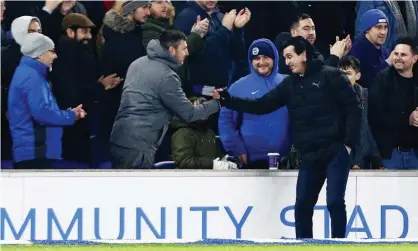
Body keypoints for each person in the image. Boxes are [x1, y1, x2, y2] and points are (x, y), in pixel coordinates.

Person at [213, 36, 361, 238]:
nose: (287, 61)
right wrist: (228, 100)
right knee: (302, 206)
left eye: (290, 56)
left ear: (304, 55)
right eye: (285, 57)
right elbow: (261, 105)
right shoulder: (289, 84)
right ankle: (303, 246)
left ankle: (339, 245)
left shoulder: (332, 76)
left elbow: (354, 109)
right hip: (310, 154)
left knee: (334, 202)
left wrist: (348, 145)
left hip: (336, 150)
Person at [109, 29, 220, 169]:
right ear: (172, 50)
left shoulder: (137, 63)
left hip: (119, 138)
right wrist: (218, 103)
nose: (187, 52)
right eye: (184, 49)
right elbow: (189, 114)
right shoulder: (167, 76)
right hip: (139, 146)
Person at [8, 33, 86, 169]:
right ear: (40, 54)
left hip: (33, 152)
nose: (55, 56)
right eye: (52, 51)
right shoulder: (32, 78)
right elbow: (42, 114)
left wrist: (67, 113)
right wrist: (71, 115)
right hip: (36, 153)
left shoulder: (29, 73)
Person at [50, 13, 120, 166]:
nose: (88, 36)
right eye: (84, 31)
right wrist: (101, 85)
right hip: (74, 119)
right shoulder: (66, 54)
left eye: (89, 32)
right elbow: (71, 89)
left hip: (83, 116)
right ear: (70, 32)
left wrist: (102, 84)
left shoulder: (80, 51)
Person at [218, 38, 291, 169]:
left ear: (274, 58)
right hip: (251, 160)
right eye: (256, 58)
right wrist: (236, 149)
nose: (261, 62)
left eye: (266, 57)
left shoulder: (289, 83)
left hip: (287, 160)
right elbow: (226, 122)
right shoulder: (238, 87)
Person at [174, 0, 250, 95]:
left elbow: (237, 55)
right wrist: (224, 30)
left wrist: (238, 30)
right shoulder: (185, 17)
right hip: (198, 92)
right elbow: (192, 55)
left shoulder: (220, 17)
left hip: (222, 90)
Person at [369, 36, 418, 170]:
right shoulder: (382, 79)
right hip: (390, 155)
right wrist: (407, 119)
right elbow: (375, 116)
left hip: (415, 153)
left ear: (415, 59)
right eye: (396, 54)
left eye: (403, 54)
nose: (398, 57)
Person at [338, 56, 383, 169]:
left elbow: (365, 127)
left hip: (361, 158)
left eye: (348, 73)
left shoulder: (365, 95)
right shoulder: (330, 97)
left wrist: (375, 154)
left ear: (357, 76)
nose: (343, 78)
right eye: (340, 74)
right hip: (337, 158)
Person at [171, 97, 237, 170]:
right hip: (188, 179)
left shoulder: (209, 132)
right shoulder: (182, 133)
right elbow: (184, 162)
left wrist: (224, 160)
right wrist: (212, 165)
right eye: (199, 107)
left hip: (209, 177)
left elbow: (216, 156)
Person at [274, 13, 351, 75]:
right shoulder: (287, 52)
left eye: (313, 28)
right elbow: (317, 79)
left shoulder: (315, 50)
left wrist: (340, 56)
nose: (311, 33)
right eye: (306, 29)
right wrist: (334, 57)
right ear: (293, 32)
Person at [349, 9, 391, 88]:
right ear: (367, 29)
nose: (383, 32)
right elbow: (366, 80)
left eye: (385, 27)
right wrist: (388, 63)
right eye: (378, 27)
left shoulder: (383, 49)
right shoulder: (357, 51)